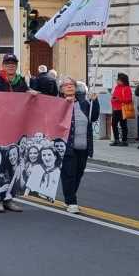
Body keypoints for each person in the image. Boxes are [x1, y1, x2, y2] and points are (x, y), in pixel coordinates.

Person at [60, 76, 100, 214]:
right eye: (66, 85)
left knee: (78, 174)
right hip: (67, 146)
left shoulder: (84, 103)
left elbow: (93, 117)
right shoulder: (58, 103)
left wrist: (95, 102)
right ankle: (71, 201)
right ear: (61, 89)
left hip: (83, 146)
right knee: (69, 174)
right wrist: (65, 104)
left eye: (72, 84)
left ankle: (69, 197)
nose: (69, 86)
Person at [109, 73, 133, 146]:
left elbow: (129, 100)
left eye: (118, 80)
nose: (117, 81)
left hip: (123, 109)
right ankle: (116, 140)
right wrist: (113, 100)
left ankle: (124, 141)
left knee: (123, 125)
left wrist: (118, 99)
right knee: (113, 124)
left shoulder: (127, 88)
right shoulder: (117, 87)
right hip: (116, 109)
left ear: (123, 81)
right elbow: (114, 96)